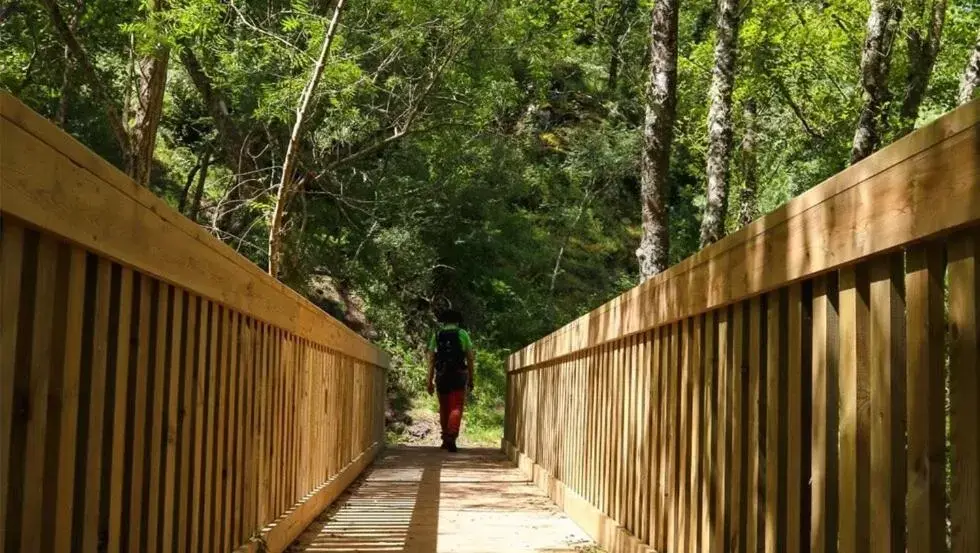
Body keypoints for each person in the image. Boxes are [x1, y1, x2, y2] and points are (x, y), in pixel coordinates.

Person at [426, 309, 475, 452]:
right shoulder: (462, 334)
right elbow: (470, 357)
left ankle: (445, 438)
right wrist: (471, 378)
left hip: (441, 374)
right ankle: (452, 436)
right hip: (459, 374)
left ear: (444, 321)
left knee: (444, 406)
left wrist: (429, 381)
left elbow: (431, 359)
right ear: (457, 321)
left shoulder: (437, 335)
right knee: (456, 405)